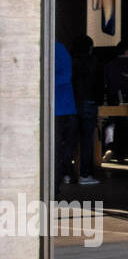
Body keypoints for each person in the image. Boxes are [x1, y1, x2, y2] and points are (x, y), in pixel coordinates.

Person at [70, 36, 103, 185]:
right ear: (90, 47)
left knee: (69, 139)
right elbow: (99, 84)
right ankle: (85, 174)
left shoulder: (71, 62)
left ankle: (67, 173)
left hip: (72, 103)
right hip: (90, 103)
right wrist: (99, 101)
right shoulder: (94, 62)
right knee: (87, 141)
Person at [54, 40, 77, 187]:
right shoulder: (60, 49)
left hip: (60, 108)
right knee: (61, 147)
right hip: (63, 107)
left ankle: (58, 180)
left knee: (57, 148)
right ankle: (64, 174)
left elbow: (65, 75)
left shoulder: (56, 49)